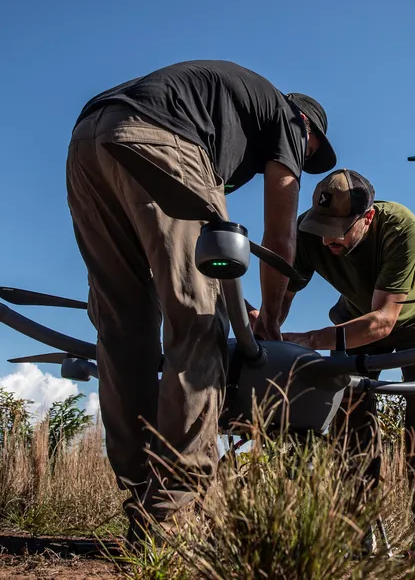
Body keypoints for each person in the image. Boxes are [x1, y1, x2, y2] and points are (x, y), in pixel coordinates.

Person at [64, 59, 337, 547]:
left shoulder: (229, 109)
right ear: (306, 128)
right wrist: (270, 319)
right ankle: (175, 507)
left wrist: (243, 305)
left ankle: (139, 497)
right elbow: (279, 237)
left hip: (89, 139)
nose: (302, 158)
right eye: (309, 152)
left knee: (123, 328)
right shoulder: (287, 122)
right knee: (196, 325)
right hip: (161, 138)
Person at [250, 168, 415, 557]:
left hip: (414, 318)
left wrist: (309, 340)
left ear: (368, 217)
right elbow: (280, 304)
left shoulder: (400, 226)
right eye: (322, 226)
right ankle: (358, 526)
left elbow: (382, 321)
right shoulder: (309, 232)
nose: (329, 237)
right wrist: (265, 321)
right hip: (353, 314)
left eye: (340, 229)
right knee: (347, 410)